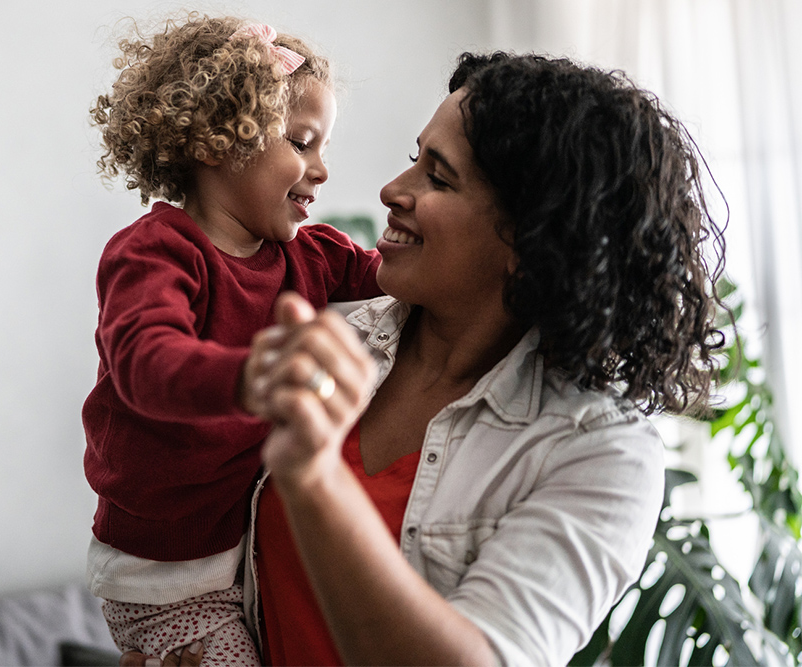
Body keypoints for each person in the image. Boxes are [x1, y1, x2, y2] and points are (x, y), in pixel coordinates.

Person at [239, 51, 727, 666]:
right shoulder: (334, 342)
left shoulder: (598, 455)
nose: (393, 190)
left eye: (438, 178)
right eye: (414, 159)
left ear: (535, 240)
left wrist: (315, 479)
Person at [81, 13, 381, 666]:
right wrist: (249, 375)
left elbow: (402, 278)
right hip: (166, 573)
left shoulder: (315, 257)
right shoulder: (155, 254)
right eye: (302, 142)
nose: (321, 169)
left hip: (245, 550)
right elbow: (146, 361)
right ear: (221, 141)